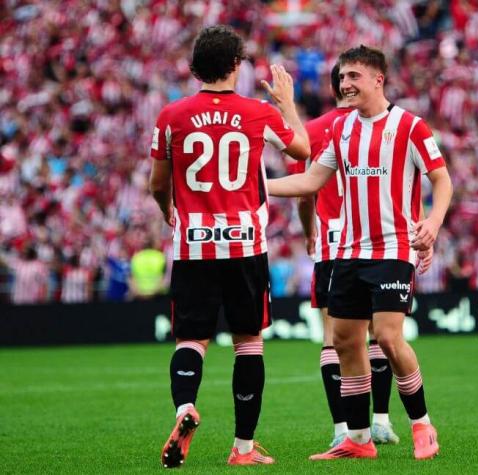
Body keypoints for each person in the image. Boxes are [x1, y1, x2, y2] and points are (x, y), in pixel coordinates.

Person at [268, 45, 452, 461]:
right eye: (342, 78)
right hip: (348, 251)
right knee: (346, 342)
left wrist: (434, 222)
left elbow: (443, 181)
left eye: (353, 76)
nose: (345, 84)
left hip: (393, 248)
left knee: (387, 336)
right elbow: (312, 180)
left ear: (377, 80)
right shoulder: (341, 129)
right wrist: (258, 187)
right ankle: (357, 438)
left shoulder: (410, 126)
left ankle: (422, 425)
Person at [149, 26, 309, 468]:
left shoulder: (172, 115)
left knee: (191, 339)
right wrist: (287, 104)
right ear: (236, 66)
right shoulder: (257, 113)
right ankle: (242, 448)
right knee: (248, 343)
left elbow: (157, 183)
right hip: (244, 245)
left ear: (194, 67)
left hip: (193, 245)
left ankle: (185, 409)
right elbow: (304, 147)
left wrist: (168, 210)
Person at [296, 63, 404, 448]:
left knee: (334, 339)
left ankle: (343, 429)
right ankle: (381, 420)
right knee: (384, 335)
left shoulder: (314, 130)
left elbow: (306, 191)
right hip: (380, 240)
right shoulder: (385, 125)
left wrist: (310, 231)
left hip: (332, 242)